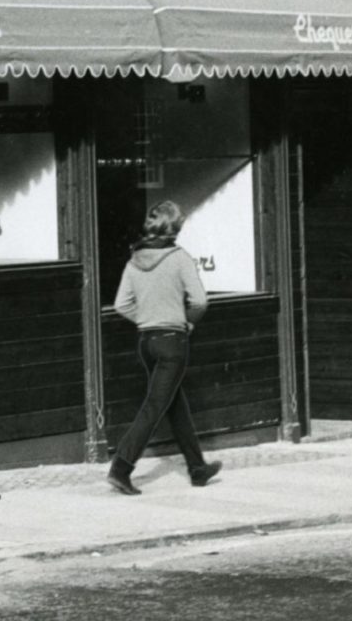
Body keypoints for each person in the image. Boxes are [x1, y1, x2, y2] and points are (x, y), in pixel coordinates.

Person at [106, 200, 223, 495]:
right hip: (173, 341)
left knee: (173, 403)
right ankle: (121, 466)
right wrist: (187, 322)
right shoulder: (180, 258)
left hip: (146, 342)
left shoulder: (134, 261)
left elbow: (121, 304)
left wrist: (146, 319)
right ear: (174, 229)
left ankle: (197, 468)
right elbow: (199, 301)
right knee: (157, 405)